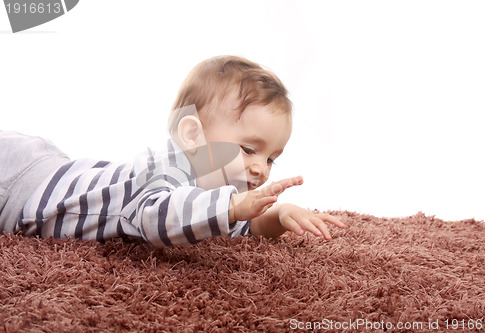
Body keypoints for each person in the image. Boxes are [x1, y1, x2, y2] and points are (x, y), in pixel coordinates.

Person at [0, 55, 344, 247]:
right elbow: (157, 217)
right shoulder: (164, 168)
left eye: (270, 158)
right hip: (22, 180)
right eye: (248, 149)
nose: (261, 169)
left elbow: (240, 226)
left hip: (54, 169)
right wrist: (232, 206)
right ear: (192, 134)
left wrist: (278, 215)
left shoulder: (218, 198)